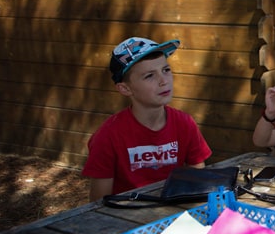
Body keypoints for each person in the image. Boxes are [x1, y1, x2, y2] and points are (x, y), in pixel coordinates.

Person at [83, 37, 212, 201]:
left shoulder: (185, 123)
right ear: (125, 88)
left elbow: (199, 183)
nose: (163, 81)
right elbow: (98, 205)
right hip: (125, 220)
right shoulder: (107, 136)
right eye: (150, 75)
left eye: (166, 70)